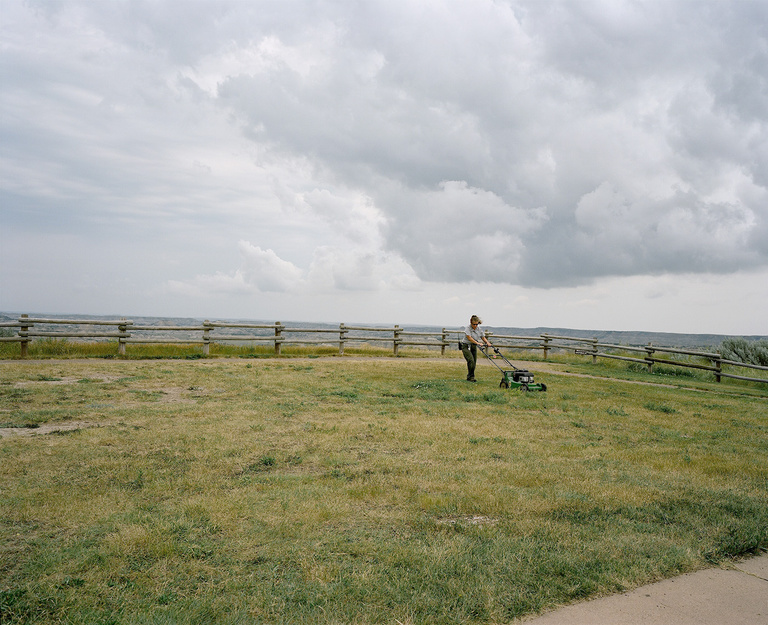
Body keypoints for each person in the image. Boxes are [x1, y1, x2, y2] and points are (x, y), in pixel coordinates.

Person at [460, 315, 493, 382]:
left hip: (473, 346)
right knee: (471, 360)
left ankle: (470, 377)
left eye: (476, 324)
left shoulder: (479, 329)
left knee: (474, 362)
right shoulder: (468, 328)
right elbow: (469, 338)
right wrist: (478, 343)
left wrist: (487, 342)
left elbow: (483, 337)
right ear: (471, 323)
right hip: (466, 346)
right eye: (474, 324)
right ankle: (470, 377)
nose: (475, 326)